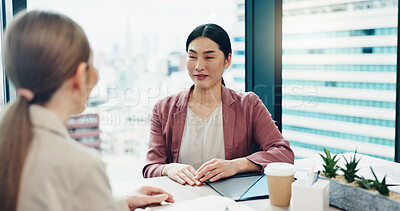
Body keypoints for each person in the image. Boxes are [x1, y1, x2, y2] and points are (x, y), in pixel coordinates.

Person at [0, 11, 173, 211]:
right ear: (79, 75)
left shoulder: (11, 139)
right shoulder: (79, 165)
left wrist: (120, 203)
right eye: (92, 64)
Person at [143, 23, 294, 186]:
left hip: (230, 201)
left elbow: (283, 154)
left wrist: (237, 165)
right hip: (181, 200)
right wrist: (169, 169)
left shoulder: (249, 105)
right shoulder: (164, 108)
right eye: (192, 56)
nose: (199, 66)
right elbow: (151, 167)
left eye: (209, 57)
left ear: (227, 60)